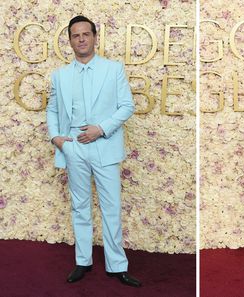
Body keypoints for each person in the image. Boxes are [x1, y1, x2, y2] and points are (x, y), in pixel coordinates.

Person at [46, 15, 141, 287]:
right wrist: (58, 139)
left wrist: (101, 128)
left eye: (86, 34)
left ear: (95, 37)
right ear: (70, 41)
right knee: (80, 206)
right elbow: (52, 110)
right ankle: (82, 262)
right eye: (75, 36)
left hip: (105, 146)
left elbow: (127, 106)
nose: (81, 39)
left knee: (111, 207)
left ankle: (117, 266)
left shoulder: (113, 69)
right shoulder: (60, 75)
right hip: (74, 148)